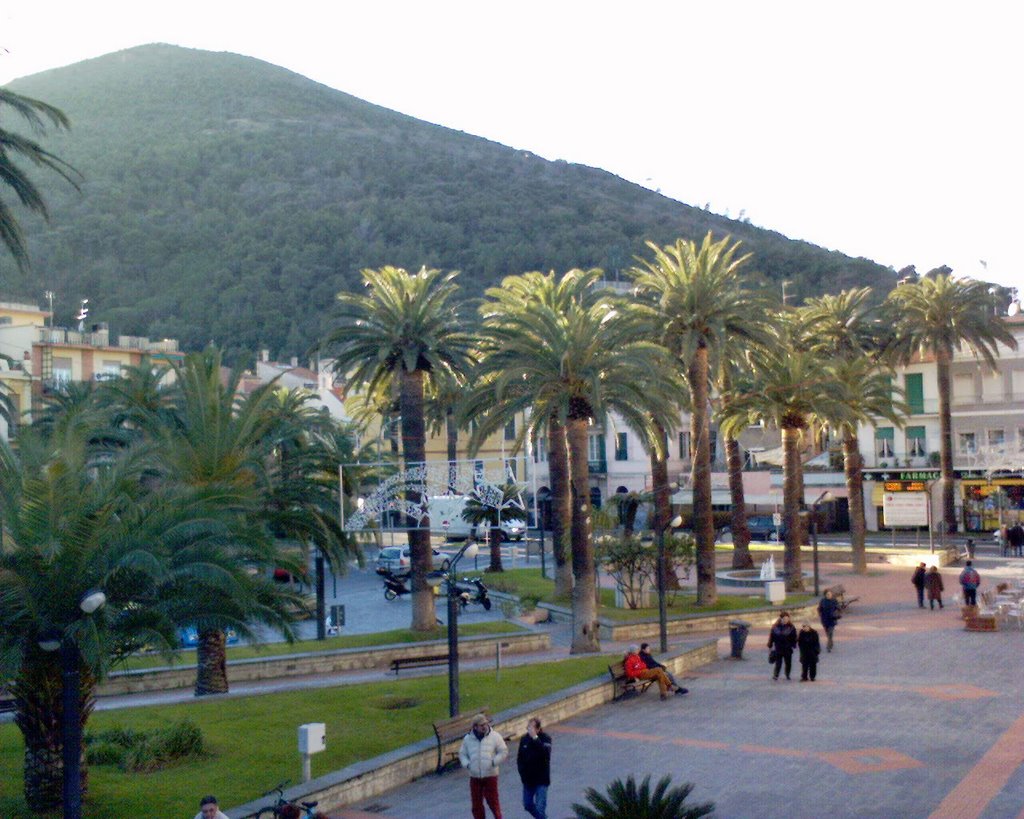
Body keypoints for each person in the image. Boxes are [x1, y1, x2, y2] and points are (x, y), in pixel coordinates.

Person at [459, 713, 508, 819]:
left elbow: (503, 751)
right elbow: (462, 754)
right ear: (475, 727)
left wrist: (494, 762)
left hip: (490, 775)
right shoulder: (468, 739)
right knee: (476, 806)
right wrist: (467, 764)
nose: (484, 727)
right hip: (475, 776)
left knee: (493, 803)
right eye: (481, 725)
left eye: (485, 724)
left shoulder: (495, 736)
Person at [517, 717, 552, 819]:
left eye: (531, 727)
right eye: (528, 727)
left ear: (538, 729)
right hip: (528, 780)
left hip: (541, 780)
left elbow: (545, 754)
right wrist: (522, 773)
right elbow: (520, 758)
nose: (529, 729)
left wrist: (535, 738)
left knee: (540, 807)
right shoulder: (524, 739)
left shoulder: (546, 738)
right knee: (527, 804)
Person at [767, 612, 798, 681]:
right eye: (784, 619)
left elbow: (794, 637)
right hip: (778, 648)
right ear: (781, 619)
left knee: (788, 663)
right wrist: (770, 645)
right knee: (778, 663)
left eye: (787, 619)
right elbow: (772, 637)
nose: (786, 620)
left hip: (787, 648)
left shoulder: (791, 628)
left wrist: (794, 644)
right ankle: (776, 675)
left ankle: (787, 674)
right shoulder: (775, 627)